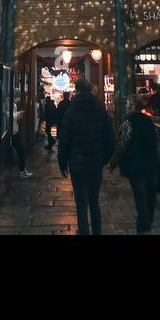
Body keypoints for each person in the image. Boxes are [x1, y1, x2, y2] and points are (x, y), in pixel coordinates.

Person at [57, 78, 114, 235]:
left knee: (81, 204)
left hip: (77, 164)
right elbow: (110, 139)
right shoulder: (101, 112)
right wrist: (105, 159)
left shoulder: (71, 113)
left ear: (77, 91)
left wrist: (62, 164)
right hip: (96, 163)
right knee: (94, 201)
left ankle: (84, 232)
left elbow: (64, 141)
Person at [112, 94, 160, 233]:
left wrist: (114, 161)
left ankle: (143, 226)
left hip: (135, 165)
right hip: (151, 164)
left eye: (128, 104)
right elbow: (157, 145)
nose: (126, 106)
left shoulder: (128, 122)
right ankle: (148, 222)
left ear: (132, 106)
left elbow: (122, 143)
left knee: (140, 197)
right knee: (150, 196)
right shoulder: (149, 122)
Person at [10, 99, 32, 179]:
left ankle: (23, 170)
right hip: (12, 132)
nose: (18, 98)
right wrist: (19, 113)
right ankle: (22, 172)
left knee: (21, 151)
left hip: (14, 132)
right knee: (21, 151)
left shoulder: (12, 104)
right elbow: (11, 116)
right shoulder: (10, 104)